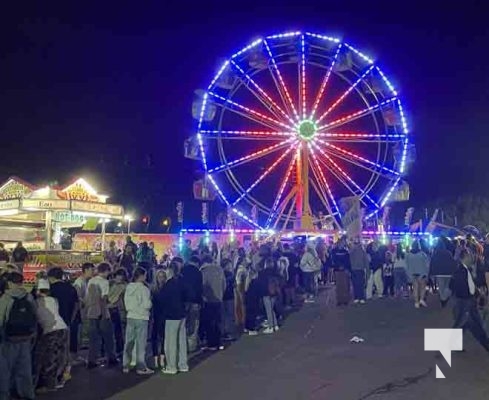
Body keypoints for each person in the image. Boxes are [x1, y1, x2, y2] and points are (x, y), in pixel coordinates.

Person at [0, 271, 37, 400]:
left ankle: (4, 395)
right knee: (25, 368)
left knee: (5, 370)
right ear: (21, 282)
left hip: (9, 339)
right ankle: (27, 394)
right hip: (26, 337)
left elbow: (1, 319)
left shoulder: (6, 298)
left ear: (9, 283)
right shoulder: (28, 297)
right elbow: (34, 315)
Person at [34, 278, 70, 393]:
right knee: (60, 356)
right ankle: (60, 379)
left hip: (51, 331)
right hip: (63, 328)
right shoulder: (54, 300)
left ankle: (49, 385)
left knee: (49, 358)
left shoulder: (36, 303)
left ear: (38, 290)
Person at [450, 249, 489, 352]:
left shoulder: (465, 269)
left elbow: (470, 284)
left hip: (466, 301)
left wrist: (477, 292)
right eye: (470, 256)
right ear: (465, 257)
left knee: (462, 324)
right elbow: (461, 286)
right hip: (466, 301)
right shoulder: (461, 270)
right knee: (476, 326)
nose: (472, 258)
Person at [47, 267, 79, 379]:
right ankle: (66, 371)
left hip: (53, 323)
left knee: (54, 350)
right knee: (66, 348)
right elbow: (76, 305)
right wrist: (71, 319)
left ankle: (56, 375)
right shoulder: (70, 288)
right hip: (67, 321)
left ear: (51, 277)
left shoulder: (49, 289)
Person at [158, 262, 188, 374]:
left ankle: (171, 366)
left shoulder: (168, 284)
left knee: (171, 341)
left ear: (170, 270)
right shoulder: (181, 282)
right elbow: (187, 295)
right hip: (182, 314)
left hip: (171, 315)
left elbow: (161, 299)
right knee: (181, 341)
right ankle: (183, 364)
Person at [86, 262, 118, 369]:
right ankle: (111, 358)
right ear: (106, 271)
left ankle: (92, 360)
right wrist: (104, 314)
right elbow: (103, 299)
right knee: (108, 337)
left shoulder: (91, 281)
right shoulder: (104, 282)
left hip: (91, 312)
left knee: (93, 339)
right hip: (102, 312)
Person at [122, 267, 153, 375]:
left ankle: (126, 364)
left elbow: (126, 303)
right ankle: (141, 366)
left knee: (129, 341)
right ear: (141, 276)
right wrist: (150, 304)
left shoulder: (129, 288)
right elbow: (146, 304)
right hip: (142, 317)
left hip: (131, 316)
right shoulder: (144, 289)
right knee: (141, 343)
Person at [201, 256, 226, 350]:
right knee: (218, 321)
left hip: (208, 299)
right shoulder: (219, 269)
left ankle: (211, 343)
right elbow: (224, 283)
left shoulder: (204, 271)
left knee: (209, 322)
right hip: (219, 298)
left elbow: (202, 286)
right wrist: (221, 294)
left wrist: (203, 296)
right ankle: (219, 342)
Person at [180, 256, 203, 353]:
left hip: (184, 301)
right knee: (194, 324)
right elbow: (200, 288)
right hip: (195, 301)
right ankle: (191, 346)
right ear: (197, 263)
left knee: (184, 324)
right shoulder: (198, 272)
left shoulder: (183, 270)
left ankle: (183, 345)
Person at [430, 237, 457, 307]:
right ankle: (444, 298)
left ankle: (443, 299)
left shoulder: (435, 253)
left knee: (441, 287)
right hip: (448, 273)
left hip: (439, 273)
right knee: (446, 287)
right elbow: (452, 262)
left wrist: (432, 273)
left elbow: (433, 263)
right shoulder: (448, 253)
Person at [108, 269, 127, 358]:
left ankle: (119, 350)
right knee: (110, 331)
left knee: (118, 331)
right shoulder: (110, 284)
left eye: (122, 275)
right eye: (118, 275)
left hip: (118, 309)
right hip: (109, 308)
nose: (120, 277)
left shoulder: (124, 286)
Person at [151, 269, 167, 370]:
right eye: (159, 277)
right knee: (154, 337)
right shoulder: (153, 289)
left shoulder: (166, 289)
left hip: (164, 315)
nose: (161, 279)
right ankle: (155, 357)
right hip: (155, 315)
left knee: (163, 337)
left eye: (162, 277)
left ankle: (162, 356)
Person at [258, 258, 280, 334]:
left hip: (266, 293)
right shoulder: (275, 272)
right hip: (274, 292)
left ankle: (271, 327)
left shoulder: (262, 273)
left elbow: (261, 284)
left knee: (268, 310)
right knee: (271, 309)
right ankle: (275, 324)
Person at [406, 241, 430, 309]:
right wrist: (426, 273)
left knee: (415, 288)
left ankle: (416, 302)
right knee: (422, 288)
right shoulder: (422, 254)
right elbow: (427, 265)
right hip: (422, 273)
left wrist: (409, 274)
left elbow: (407, 265)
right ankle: (421, 299)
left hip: (413, 274)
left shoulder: (408, 255)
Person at [331, 238, 352, 306]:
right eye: (342, 243)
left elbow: (348, 261)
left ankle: (345, 300)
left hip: (345, 270)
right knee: (339, 286)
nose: (343, 244)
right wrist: (338, 266)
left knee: (345, 286)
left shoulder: (345, 251)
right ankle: (339, 300)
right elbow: (334, 260)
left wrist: (347, 268)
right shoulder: (334, 251)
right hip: (337, 270)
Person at [349, 238, 369, 304]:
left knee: (358, 284)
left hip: (358, 269)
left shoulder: (358, 251)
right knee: (358, 284)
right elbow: (366, 261)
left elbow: (365, 261)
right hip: (358, 269)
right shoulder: (360, 251)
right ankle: (359, 297)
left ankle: (359, 297)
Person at [221, 259, 236, 340]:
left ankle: (223, 332)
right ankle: (229, 332)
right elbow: (234, 285)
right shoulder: (230, 274)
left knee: (224, 315)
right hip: (229, 296)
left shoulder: (220, 273)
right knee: (229, 315)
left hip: (222, 296)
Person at [244, 268, 261, 336]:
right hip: (253, 301)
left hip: (248, 300)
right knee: (252, 315)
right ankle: (251, 329)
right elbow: (257, 293)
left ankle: (247, 327)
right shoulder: (255, 282)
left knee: (248, 314)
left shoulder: (248, 282)